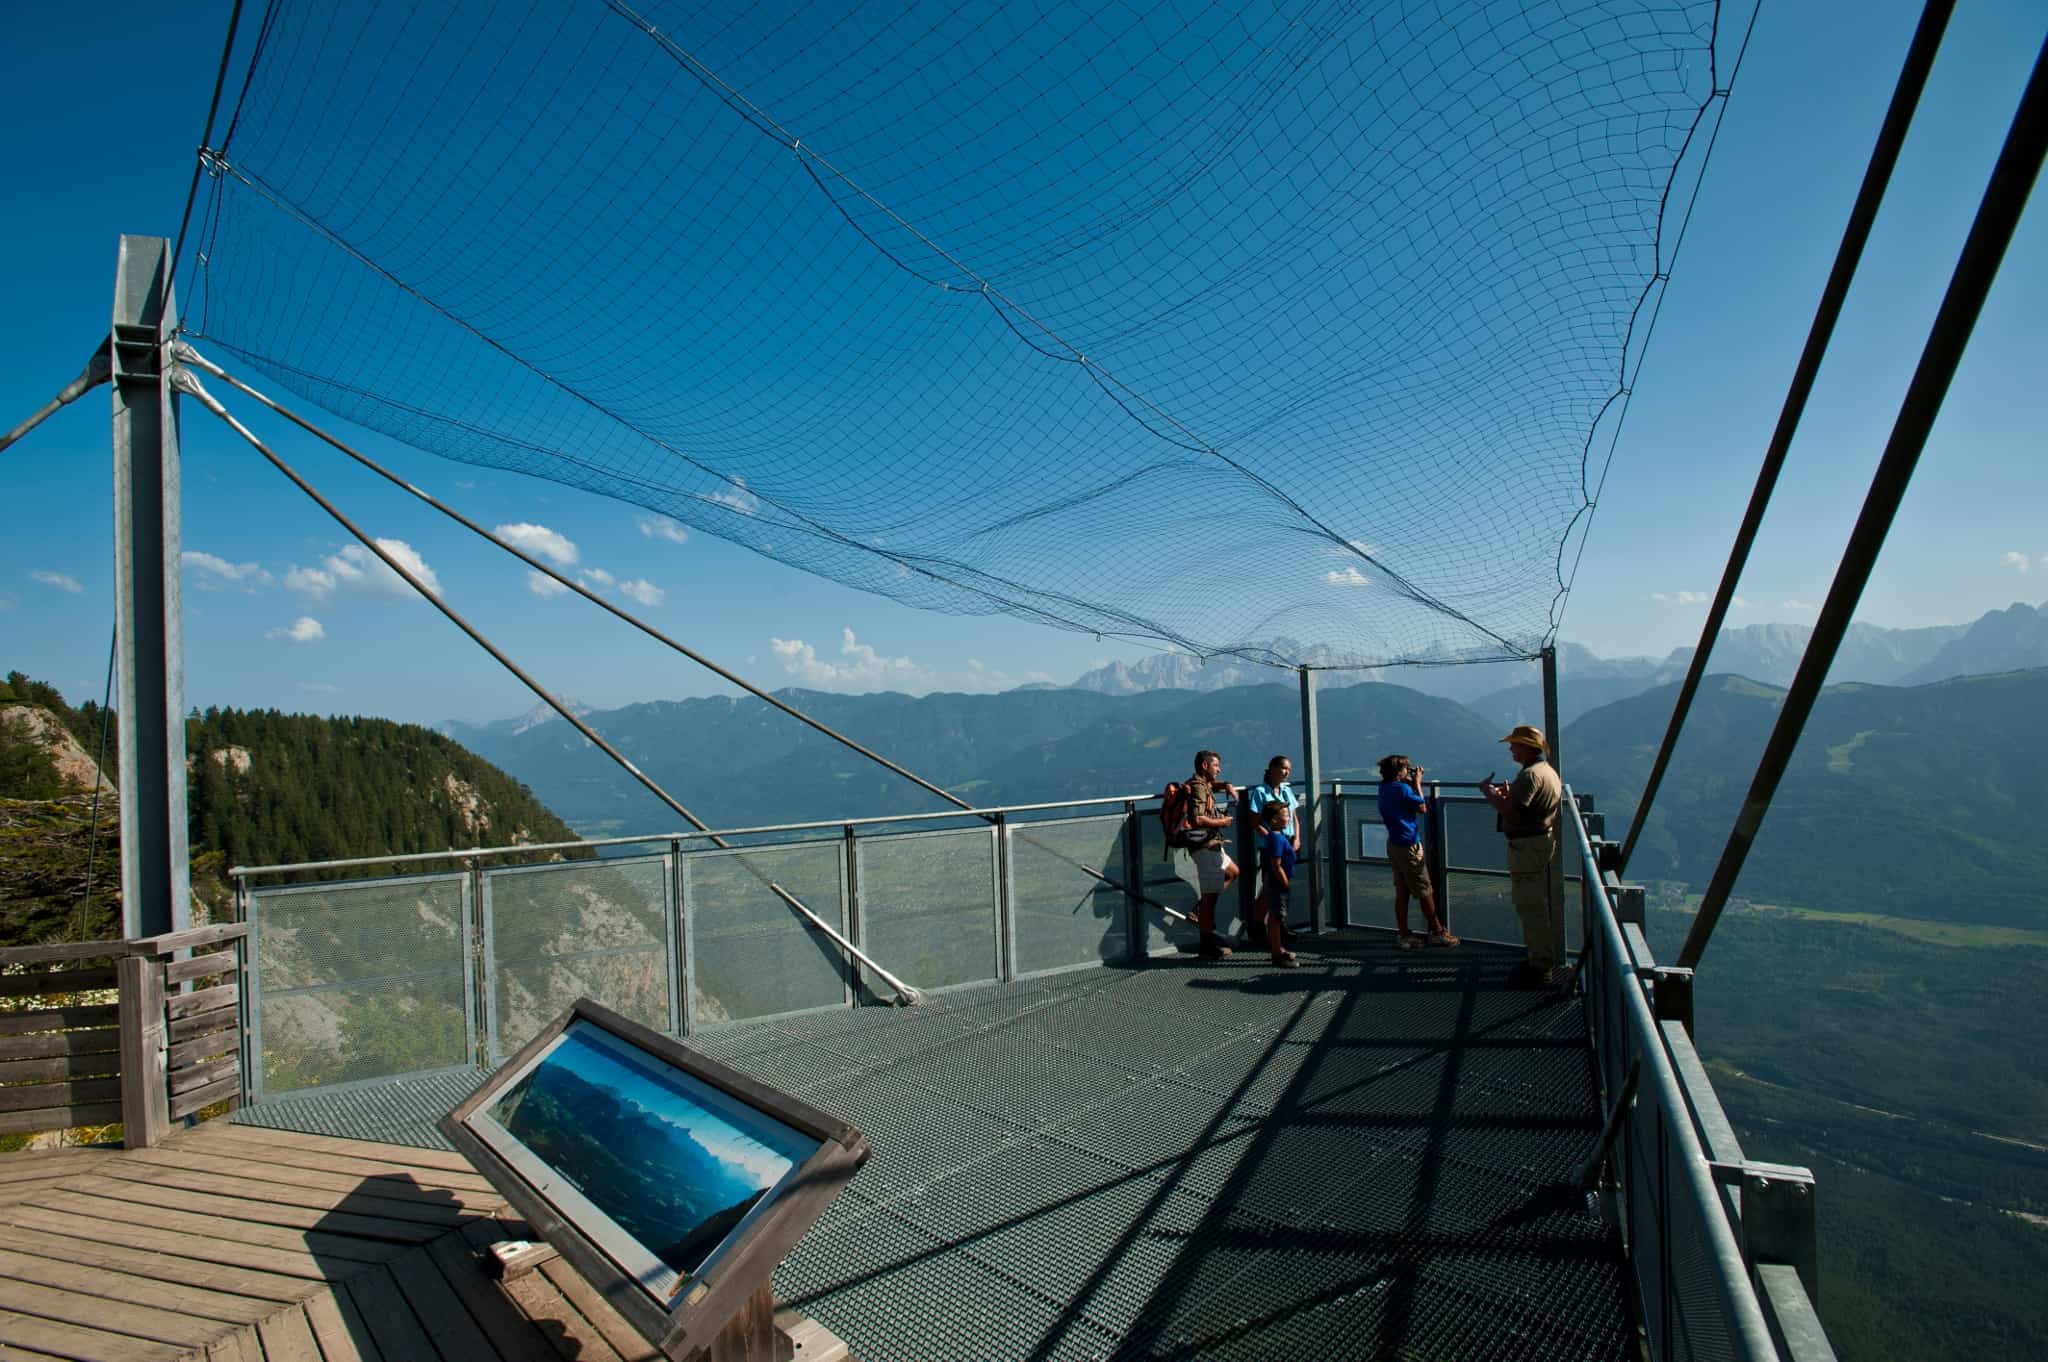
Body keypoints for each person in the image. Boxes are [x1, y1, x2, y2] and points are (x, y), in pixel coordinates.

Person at [1480, 724, 1563, 987]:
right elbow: (1523, 806)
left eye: (1514, 745)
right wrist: (1508, 796)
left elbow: (1511, 810)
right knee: (1535, 903)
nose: (1511, 749)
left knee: (1530, 906)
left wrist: (1490, 794)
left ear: (1527, 748)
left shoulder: (1529, 776)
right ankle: (1540, 959)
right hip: (1538, 843)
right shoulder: (1545, 772)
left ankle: (1540, 967)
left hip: (1526, 848)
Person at [1375, 754, 1458, 949]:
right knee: (1424, 890)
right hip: (1409, 845)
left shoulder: (1384, 787)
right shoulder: (1403, 789)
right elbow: (1422, 807)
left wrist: (1409, 783)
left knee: (1402, 891)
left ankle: (1404, 934)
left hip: (1394, 843)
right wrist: (1417, 783)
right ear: (1399, 772)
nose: (1409, 771)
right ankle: (1437, 931)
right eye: (1406, 769)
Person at [1182, 749, 1239, 959]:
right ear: (1205, 766)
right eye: (1216, 765)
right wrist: (1221, 822)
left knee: (1233, 872)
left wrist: (1225, 785)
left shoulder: (1201, 784)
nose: (1219, 769)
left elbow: (1209, 787)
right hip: (1205, 848)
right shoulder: (1198, 787)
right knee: (1210, 897)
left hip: (1213, 845)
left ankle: (1200, 911)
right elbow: (1197, 818)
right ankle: (1207, 943)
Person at [1243, 756, 1300, 946]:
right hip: (1274, 844)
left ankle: (1279, 926)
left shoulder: (1286, 790)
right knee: (1271, 887)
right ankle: (1261, 927)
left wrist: (1297, 838)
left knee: (1281, 886)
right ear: (1272, 768)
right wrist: (1270, 838)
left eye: (1288, 769)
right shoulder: (1260, 792)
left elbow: (1293, 816)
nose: (1286, 772)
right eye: (1283, 768)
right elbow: (1253, 821)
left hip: (1288, 842)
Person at [1254, 802, 1301, 968]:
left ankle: (1278, 948)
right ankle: (1277, 953)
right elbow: (1276, 864)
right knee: (1276, 917)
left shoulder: (1273, 837)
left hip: (1275, 881)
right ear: (1274, 820)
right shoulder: (1276, 838)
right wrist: (1285, 882)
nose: (1288, 817)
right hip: (1277, 883)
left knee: (1276, 916)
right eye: (1285, 815)